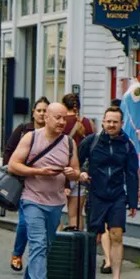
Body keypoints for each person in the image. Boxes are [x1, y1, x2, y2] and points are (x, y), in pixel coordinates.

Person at [8, 99, 79, 279]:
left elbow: (75, 173)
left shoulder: (68, 142)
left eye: (64, 119)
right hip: (32, 198)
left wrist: (73, 174)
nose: (61, 122)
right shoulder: (31, 137)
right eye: (57, 117)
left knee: (46, 245)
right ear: (45, 117)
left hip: (56, 201)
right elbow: (13, 165)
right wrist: (38, 172)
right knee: (38, 242)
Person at [81, 105, 140, 279]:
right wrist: (79, 174)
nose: (111, 125)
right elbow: (75, 161)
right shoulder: (91, 142)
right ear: (103, 121)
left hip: (117, 196)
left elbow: (131, 173)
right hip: (96, 195)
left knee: (116, 235)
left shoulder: (127, 145)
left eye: (115, 122)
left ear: (121, 124)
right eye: (108, 121)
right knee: (92, 237)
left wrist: (132, 201)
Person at [2, 99, 49, 272]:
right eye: (39, 110)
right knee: (24, 221)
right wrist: (11, 171)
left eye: (45, 110)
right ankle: (17, 253)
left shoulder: (53, 134)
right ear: (33, 112)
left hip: (44, 183)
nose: (42, 114)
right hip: (22, 181)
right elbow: (9, 150)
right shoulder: (23, 131)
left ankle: (39, 258)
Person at [61, 92, 89, 231]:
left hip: (62, 169)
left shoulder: (60, 122)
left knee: (55, 212)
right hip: (81, 170)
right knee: (76, 214)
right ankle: (77, 245)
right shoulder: (86, 122)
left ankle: (56, 246)